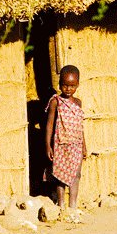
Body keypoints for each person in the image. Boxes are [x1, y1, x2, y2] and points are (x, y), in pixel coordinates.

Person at [45, 65, 88, 223]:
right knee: (60, 176)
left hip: (76, 144)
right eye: (64, 85)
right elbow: (49, 124)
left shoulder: (78, 103)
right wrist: (48, 145)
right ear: (59, 84)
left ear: (77, 85)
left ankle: (73, 206)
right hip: (60, 144)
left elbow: (80, 125)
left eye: (72, 85)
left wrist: (84, 144)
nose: (68, 88)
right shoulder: (56, 101)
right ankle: (61, 206)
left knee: (76, 175)